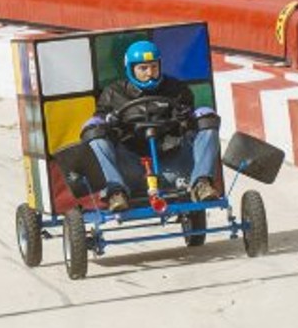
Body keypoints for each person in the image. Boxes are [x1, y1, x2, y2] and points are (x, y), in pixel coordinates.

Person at [82, 40, 221, 212]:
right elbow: (98, 120)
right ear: (131, 69)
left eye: (154, 67)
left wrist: (186, 119)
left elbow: (191, 125)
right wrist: (109, 121)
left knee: (207, 118)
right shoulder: (113, 93)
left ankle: (201, 183)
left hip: (173, 163)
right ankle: (115, 192)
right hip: (132, 166)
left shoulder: (177, 89)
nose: (150, 73)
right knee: (94, 136)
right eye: (143, 68)